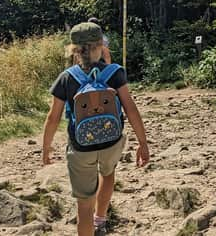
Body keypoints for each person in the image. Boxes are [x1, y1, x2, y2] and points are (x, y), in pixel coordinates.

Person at [42, 22, 149, 236]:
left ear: (74, 49)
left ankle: (91, 223)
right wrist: (143, 143)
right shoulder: (115, 73)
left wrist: (46, 147)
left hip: (81, 148)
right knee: (108, 174)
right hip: (112, 141)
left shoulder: (67, 77)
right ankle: (100, 219)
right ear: (102, 45)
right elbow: (131, 109)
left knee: (83, 207)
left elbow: (53, 117)